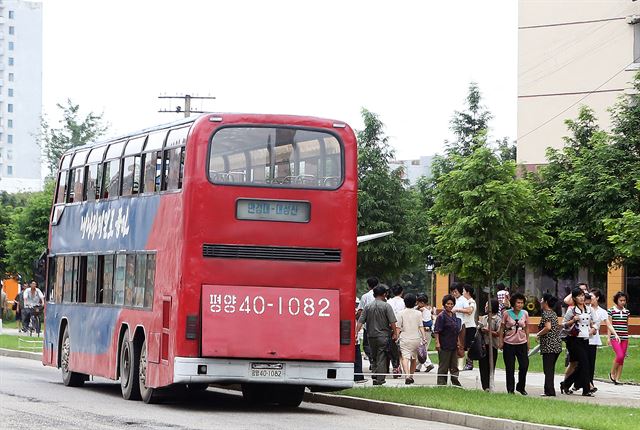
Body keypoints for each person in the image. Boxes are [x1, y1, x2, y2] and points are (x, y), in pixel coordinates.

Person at [355, 285, 398, 385]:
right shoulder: (386, 306)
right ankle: (380, 379)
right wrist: (395, 333)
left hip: (371, 336)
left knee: (373, 356)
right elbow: (392, 322)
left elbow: (360, 321)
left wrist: (356, 332)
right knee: (382, 356)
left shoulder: (368, 306)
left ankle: (374, 375)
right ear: (384, 294)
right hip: (383, 335)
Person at [560, 287, 595, 396]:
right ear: (574, 298)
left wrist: (593, 329)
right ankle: (586, 390)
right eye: (578, 296)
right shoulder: (572, 310)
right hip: (574, 340)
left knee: (581, 365)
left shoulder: (589, 309)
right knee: (584, 363)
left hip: (585, 339)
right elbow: (564, 325)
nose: (581, 298)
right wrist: (573, 320)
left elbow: (594, 323)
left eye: (582, 295)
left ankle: (565, 384)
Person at [499, 292, 530, 395]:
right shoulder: (506, 313)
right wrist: (500, 341)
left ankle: (521, 387)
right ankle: (510, 389)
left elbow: (526, 328)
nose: (520, 305)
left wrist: (528, 342)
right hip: (509, 343)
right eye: (518, 303)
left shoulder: (525, 313)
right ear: (513, 303)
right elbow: (502, 328)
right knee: (510, 367)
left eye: (522, 303)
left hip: (522, 342)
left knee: (524, 365)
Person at [587, 289, 617, 392]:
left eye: (591, 297)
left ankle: (589, 383)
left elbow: (608, 324)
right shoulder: (585, 309)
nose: (589, 299)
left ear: (597, 298)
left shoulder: (602, 311)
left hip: (593, 340)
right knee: (581, 363)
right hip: (583, 339)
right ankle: (575, 383)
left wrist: (615, 334)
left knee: (591, 364)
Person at [395, 293, 426, 385]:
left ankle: (407, 375)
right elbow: (421, 326)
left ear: (405, 302)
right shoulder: (419, 313)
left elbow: (398, 328)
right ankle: (411, 376)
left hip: (405, 338)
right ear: (415, 302)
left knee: (405, 358)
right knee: (413, 358)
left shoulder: (400, 313)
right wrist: (424, 337)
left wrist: (396, 337)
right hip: (416, 338)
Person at [535, 294, 562, 396]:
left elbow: (548, 327)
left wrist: (538, 334)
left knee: (548, 369)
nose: (540, 301)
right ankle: (549, 390)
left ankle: (550, 391)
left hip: (549, 345)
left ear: (545, 302)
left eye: (542, 299)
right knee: (550, 369)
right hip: (556, 345)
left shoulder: (546, 314)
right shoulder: (554, 313)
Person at [434, 294, 463, 387]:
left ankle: (455, 382)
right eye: (448, 304)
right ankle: (441, 384)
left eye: (451, 304)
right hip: (444, 344)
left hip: (453, 344)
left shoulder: (454, 315)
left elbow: (456, 330)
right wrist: (437, 343)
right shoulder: (441, 316)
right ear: (444, 304)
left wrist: (458, 343)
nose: (450, 306)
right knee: (444, 366)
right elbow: (437, 331)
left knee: (454, 365)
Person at [478, 299, 500, 391]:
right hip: (483, 345)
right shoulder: (484, 318)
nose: (485, 307)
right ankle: (485, 386)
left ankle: (490, 384)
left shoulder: (497, 319)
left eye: (487, 305)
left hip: (492, 345)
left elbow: (498, 333)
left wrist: (488, 331)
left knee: (491, 366)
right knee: (482, 366)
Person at [608, 291, 630, 385]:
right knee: (620, 355)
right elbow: (609, 325)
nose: (622, 302)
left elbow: (626, 325)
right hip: (615, 337)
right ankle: (612, 372)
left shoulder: (627, 312)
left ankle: (617, 378)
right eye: (621, 300)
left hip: (625, 337)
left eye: (624, 300)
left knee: (622, 358)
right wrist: (608, 338)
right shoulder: (611, 311)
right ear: (616, 300)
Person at [356, 277, 379, 362]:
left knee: (367, 345)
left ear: (368, 286)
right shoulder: (383, 297)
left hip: (368, 325)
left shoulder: (365, 296)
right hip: (381, 325)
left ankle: (372, 360)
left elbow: (360, 311)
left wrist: (357, 319)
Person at [416, 294, 435, 373]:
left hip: (423, 331)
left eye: (418, 302)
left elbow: (426, 322)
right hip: (429, 331)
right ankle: (417, 367)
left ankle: (428, 364)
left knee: (420, 349)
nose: (417, 304)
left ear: (422, 303)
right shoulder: (429, 309)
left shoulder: (422, 310)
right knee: (424, 349)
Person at [460, 285, 477, 370]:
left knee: (469, 346)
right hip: (464, 326)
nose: (462, 293)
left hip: (470, 326)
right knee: (463, 345)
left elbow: (469, 311)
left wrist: (457, 310)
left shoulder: (471, 302)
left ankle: (469, 363)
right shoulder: (465, 302)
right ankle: (462, 363)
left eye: (463, 291)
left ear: (468, 292)